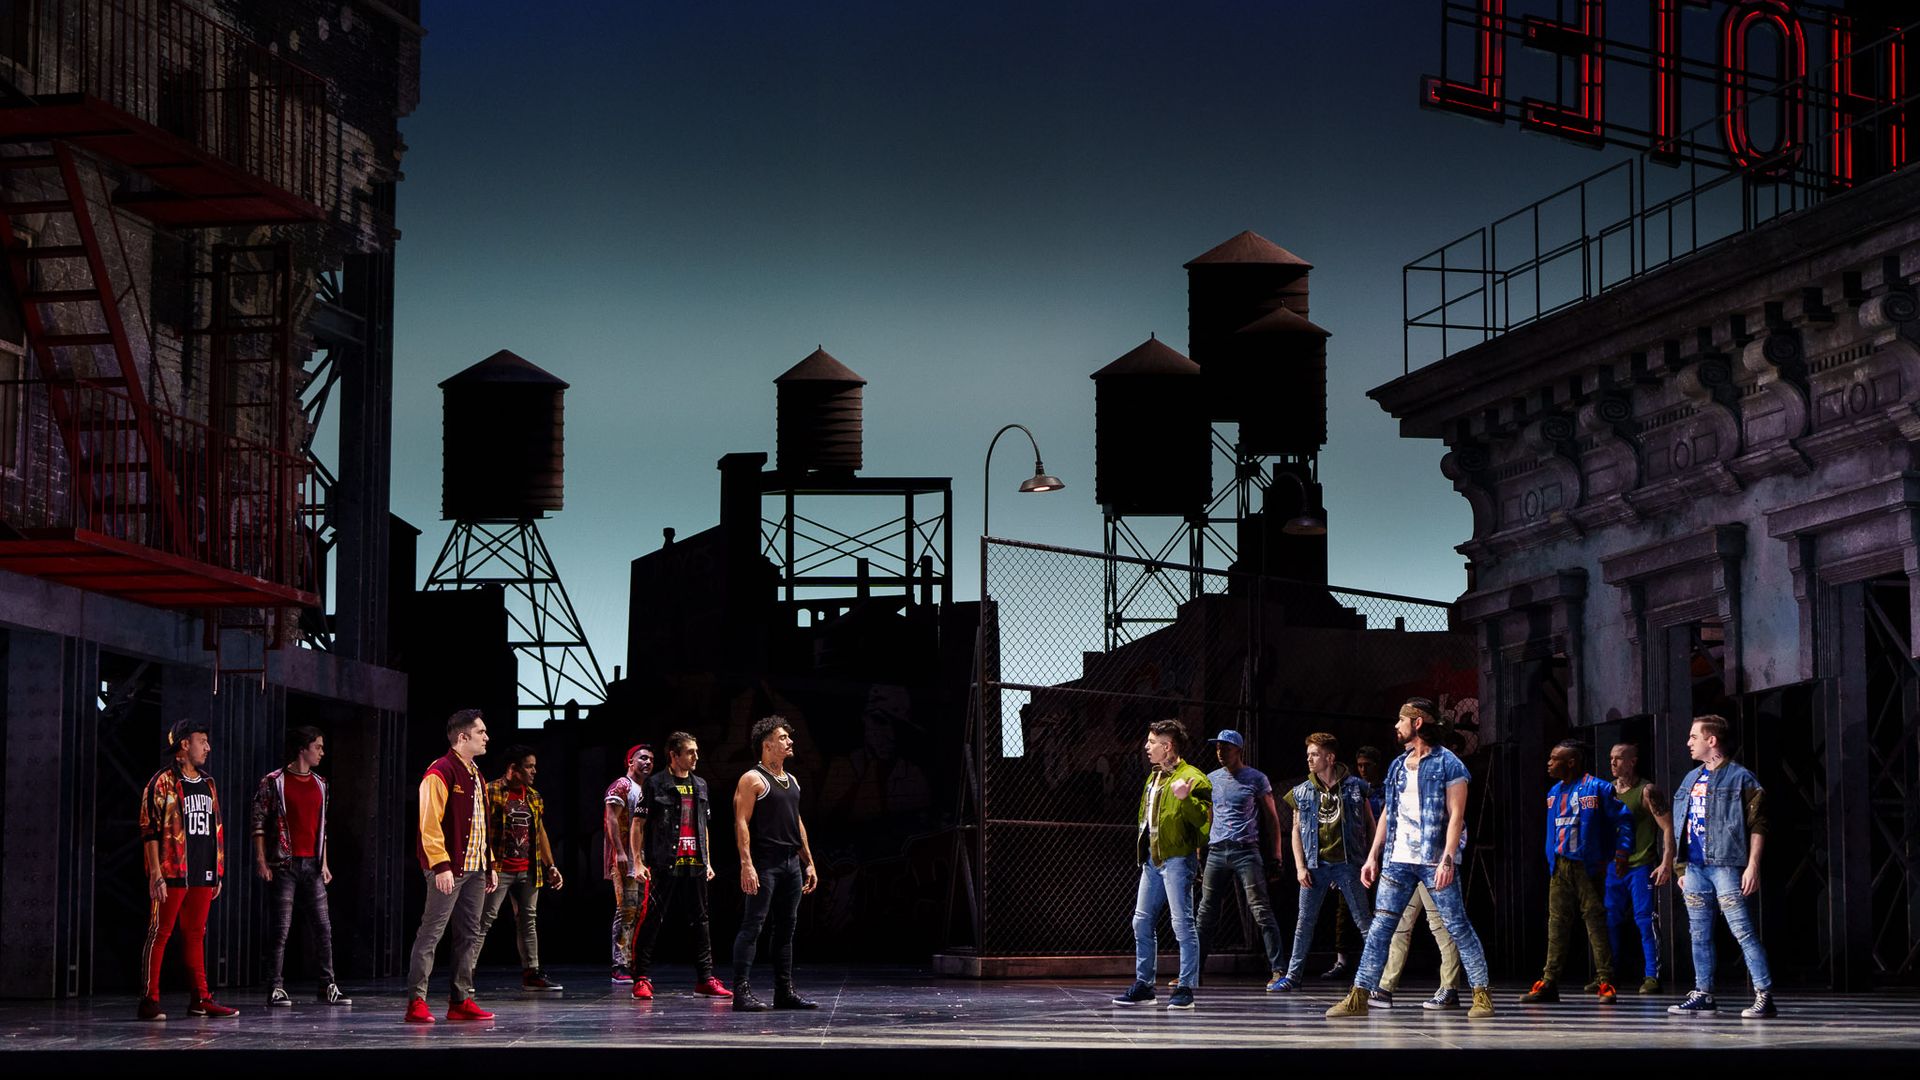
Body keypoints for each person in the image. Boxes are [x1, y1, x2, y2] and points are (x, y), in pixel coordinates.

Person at [1326, 698, 1495, 1020]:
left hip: (1434, 859)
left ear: (1417, 722)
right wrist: (1373, 855)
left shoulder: (1449, 764)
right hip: (1398, 860)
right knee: (1381, 928)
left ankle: (1481, 993)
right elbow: (1389, 812)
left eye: (1401, 720)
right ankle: (1359, 995)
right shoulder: (1398, 765)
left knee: (1457, 924)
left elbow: (1456, 816)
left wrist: (1448, 859)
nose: (1396, 725)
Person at [1668, 715, 1776, 1019]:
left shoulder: (1740, 777)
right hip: (1695, 868)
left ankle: (1764, 994)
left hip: (1726, 865)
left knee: (1742, 931)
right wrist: (1680, 867)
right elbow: (1680, 824)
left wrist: (1753, 865)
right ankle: (1703, 993)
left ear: (1711, 740)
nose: (1688, 743)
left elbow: (1759, 824)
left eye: (1694, 737)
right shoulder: (1690, 779)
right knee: (1698, 934)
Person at [1520, 739, 1633, 1005]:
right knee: (1556, 923)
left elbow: (1624, 820)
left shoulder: (1599, 788)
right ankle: (1549, 982)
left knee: (1595, 921)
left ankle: (1606, 981)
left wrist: (1621, 853)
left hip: (1587, 866)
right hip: (1559, 865)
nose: (1549, 763)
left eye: (1554, 758)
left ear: (1571, 762)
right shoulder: (1553, 792)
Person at [138, 719, 238, 1021]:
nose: (207, 747)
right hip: (172, 871)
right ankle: (149, 1000)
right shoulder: (162, 782)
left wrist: (217, 870)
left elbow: (215, 828)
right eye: (202, 741)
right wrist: (155, 873)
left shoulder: (208, 783)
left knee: (196, 935)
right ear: (185, 744)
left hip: (202, 872)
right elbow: (149, 831)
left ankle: (201, 999)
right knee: (160, 933)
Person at [404, 708, 498, 1024]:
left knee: (469, 935)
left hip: (475, 869)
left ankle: (461, 1000)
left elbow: (482, 823)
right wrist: (440, 865)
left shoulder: (476, 774)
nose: (486, 737)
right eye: (481, 732)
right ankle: (416, 1002)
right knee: (432, 933)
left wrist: (490, 863)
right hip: (449, 868)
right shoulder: (440, 771)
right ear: (462, 737)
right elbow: (429, 822)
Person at [1111, 719, 1212, 1011]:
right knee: (1141, 921)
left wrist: (1186, 799)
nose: (1147, 746)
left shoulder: (1194, 778)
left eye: (1152, 742)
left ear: (1167, 747)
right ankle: (1144, 986)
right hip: (1152, 861)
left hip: (1178, 859)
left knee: (1182, 924)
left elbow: (1204, 823)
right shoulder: (1153, 777)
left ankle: (1185, 987)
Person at [252, 725, 350, 1008]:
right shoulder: (275, 782)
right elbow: (259, 823)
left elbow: (322, 828)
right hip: (285, 864)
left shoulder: (321, 784)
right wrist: (262, 861)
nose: (322, 752)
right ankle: (275, 987)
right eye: (317, 747)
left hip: (313, 865)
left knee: (323, 928)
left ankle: (328, 985)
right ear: (302, 749)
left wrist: (325, 863)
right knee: (281, 929)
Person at [1271, 733, 1375, 994]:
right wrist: (1300, 866)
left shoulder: (1354, 787)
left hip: (1347, 863)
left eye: (1315, 754)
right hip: (1316, 865)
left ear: (1330, 758)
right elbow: (1296, 831)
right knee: (1304, 923)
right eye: (1308, 754)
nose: (1309, 759)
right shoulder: (1302, 791)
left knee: (1364, 921)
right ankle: (1293, 976)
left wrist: (1371, 857)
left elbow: (1370, 823)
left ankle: (1375, 978)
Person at [631, 731, 732, 1001]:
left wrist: (707, 860)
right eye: (690, 752)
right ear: (674, 755)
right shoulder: (655, 784)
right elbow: (638, 824)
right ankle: (641, 978)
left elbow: (703, 826)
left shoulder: (700, 784)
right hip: (664, 862)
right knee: (652, 918)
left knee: (701, 921)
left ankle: (705, 979)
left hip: (695, 863)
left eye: (696, 751)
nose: (696, 756)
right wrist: (638, 861)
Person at [730, 716, 821, 1011]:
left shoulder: (791, 780)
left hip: (791, 864)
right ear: (767, 745)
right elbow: (741, 823)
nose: (790, 741)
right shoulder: (752, 779)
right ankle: (741, 993)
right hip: (765, 863)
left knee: (786, 929)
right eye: (783, 738)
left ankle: (784, 992)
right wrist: (747, 864)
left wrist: (808, 862)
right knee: (753, 926)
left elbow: (797, 822)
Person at [1193, 729, 1288, 990]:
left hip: (1246, 850)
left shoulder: (1255, 778)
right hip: (1216, 850)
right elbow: (1208, 816)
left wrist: (1276, 855)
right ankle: (1193, 971)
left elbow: (1272, 818)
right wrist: (1200, 852)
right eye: (1218, 747)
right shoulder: (1211, 779)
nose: (1220, 752)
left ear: (1238, 750)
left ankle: (1278, 970)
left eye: (1226, 747)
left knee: (1261, 909)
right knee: (1206, 913)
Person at [479, 745, 565, 992]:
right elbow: (480, 830)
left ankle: (532, 973)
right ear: (513, 769)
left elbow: (540, 832)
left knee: (528, 921)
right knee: (484, 920)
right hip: (499, 869)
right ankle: (465, 975)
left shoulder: (534, 796)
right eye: (529, 766)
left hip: (528, 870)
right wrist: (486, 865)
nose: (534, 771)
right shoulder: (491, 791)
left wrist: (551, 865)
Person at [1607, 741, 1672, 993]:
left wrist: (1666, 861)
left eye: (1619, 758)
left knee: (1644, 920)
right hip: (1614, 866)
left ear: (1632, 761)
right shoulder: (1607, 791)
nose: (1613, 762)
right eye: (1611, 758)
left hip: (1641, 865)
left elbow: (1668, 827)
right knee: (1610, 920)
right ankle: (1608, 975)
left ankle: (1652, 975)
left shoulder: (1647, 791)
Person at [1373, 881, 1467, 1010]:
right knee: (1400, 925)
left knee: (1439, 925)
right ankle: (1385, 988)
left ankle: (1449, 989)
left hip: (1430, 872)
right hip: (1409, 871)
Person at [606, 744, 654, 983]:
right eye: (642, 758)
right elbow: (611, 819)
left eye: (651, 759)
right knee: (626, 908)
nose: (648, 762)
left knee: (638, 911)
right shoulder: (622, 785)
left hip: (642, 858)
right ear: (630, 761)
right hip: (625, 858)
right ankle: (620, 964)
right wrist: (619, 852)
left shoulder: (646, 789)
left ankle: (632, 960)